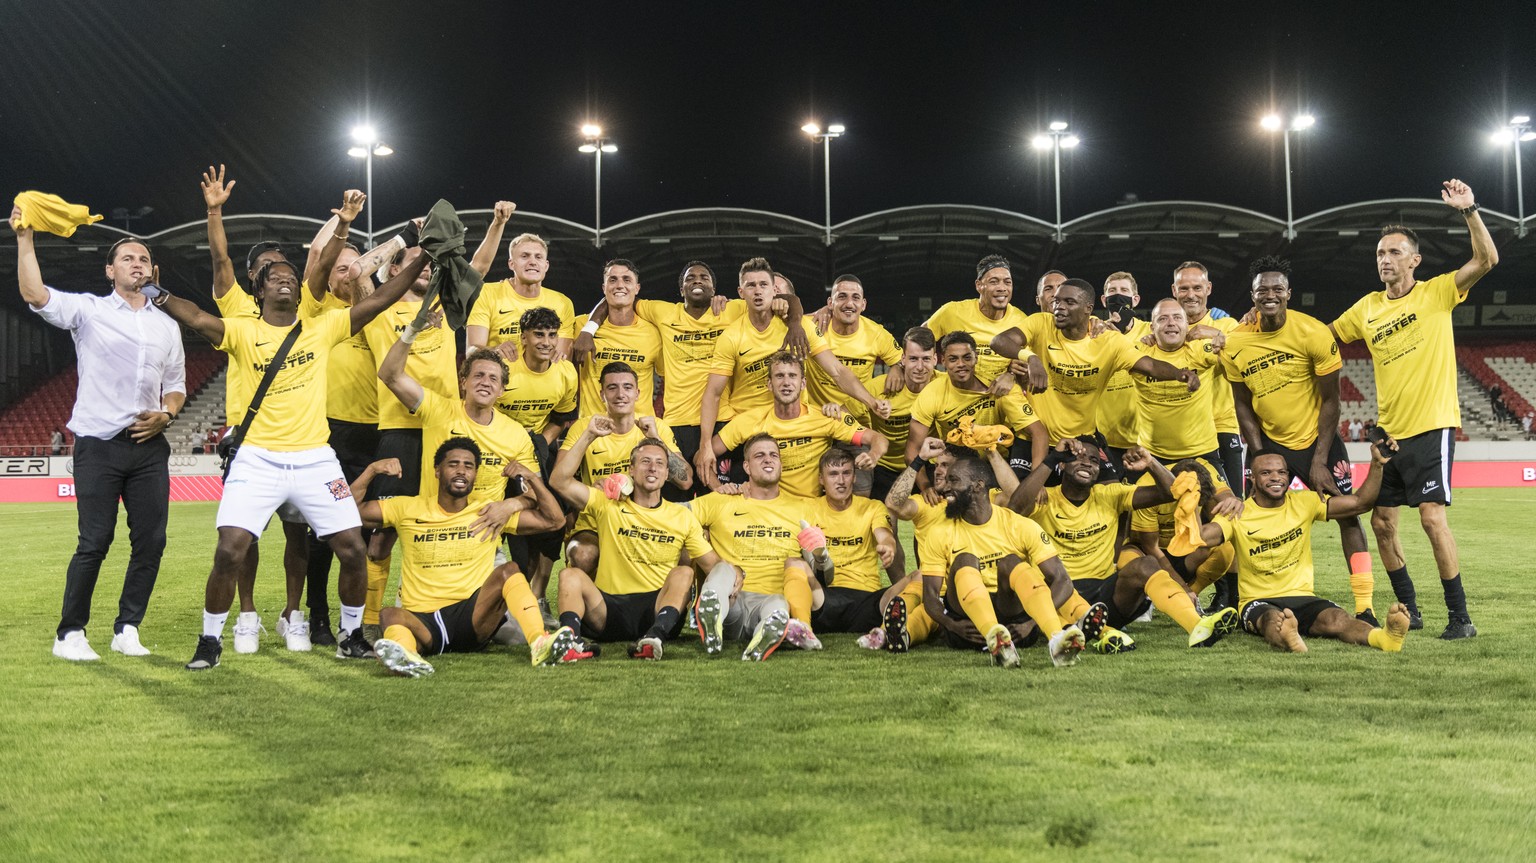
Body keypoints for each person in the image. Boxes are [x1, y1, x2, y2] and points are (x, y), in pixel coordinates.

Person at [156, 187, 428, 670]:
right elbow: (197, 315)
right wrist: (158, 293)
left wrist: (424, 254)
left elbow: (384, 296)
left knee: (351, 548)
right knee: (230, 549)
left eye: (288, 276)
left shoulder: (320, 326)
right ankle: (210, 640)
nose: (284, 281)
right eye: (273, 278)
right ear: (259, 290)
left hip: (314, 457)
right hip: (256, 456)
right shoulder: (242, 329)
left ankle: (349, 635)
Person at [12, 205, 185, 661]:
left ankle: (127, 628)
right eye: (127, 258)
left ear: (154, 271)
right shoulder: (87, 310)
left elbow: (178, 387)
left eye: (144, 259)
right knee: (95, 540)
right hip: (98, 444)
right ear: (110, 270)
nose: (137, 264)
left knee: (152, 542)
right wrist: (25, 239)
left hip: (150, 446)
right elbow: (35, 294)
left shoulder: (167, 326)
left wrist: (167, 416)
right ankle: (70, 633)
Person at [1329, 180, 1498, 639]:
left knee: (1430, 517)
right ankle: (1410, 608)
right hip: (1388, 432)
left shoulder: (1437, 293)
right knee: (1382, 522)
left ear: (1414, 260)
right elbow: (1324, 337)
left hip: (1432, 426)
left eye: (1395, 252)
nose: (1385, 259)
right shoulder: (1366, 308)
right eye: (1380, 253)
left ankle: (1460, 618)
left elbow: (1486, 261)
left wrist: (1470, 211)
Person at [1220, 256, 1376, 624]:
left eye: (1277, 289)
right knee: (1241, 518)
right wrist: (1258, 454)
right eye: (1262, 290)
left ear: (1289, 293)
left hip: (1316, 441)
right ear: (1253, 296)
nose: (1269, 295)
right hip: (1268, 445)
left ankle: (1365, 605)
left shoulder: (1314, 333)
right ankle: (1237, 600)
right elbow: (1242, 404)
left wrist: (1319, 459)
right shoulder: (1235, 343)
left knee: (1349, 515)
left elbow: (1331, 401)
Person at [355, 439, 584, 676]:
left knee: (510, 570)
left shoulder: (489, 511)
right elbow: (349, 511)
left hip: (472, 617)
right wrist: (372, 471)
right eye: (453, 464)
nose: (461, 470)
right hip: (423, 620)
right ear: (437, 471)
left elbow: (554, 520)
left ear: (475, 475)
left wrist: (532, 480)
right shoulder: (406, 508)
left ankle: (540, 643)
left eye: (469, 466)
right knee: (389, 614)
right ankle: (408, 658)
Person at [1011, 439, 1239, 649]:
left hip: (1105, 593)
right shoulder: (1044, 498)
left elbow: (1171, 493)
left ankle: (1197, 625)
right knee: (1061, 591)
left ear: (1099, 470)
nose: (1087, 463)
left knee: (1147, 564)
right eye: (1078, 458)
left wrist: (1151, 463)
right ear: (1063, 465)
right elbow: (1015, 507)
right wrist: (1050, 459)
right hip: (1059, 592)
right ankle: (1103, 634)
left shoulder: (1110, 494)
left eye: (1093, 460)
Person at [1194, 446, 1411, 654]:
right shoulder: (1238, 512)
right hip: (1258, 600)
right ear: (1252, 478)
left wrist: (1377, 464)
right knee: (1271, 619)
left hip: (1303, 596)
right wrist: (1193, 501)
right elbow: (1202, 539)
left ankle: (1384, 638)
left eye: (1281, 472)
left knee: (1337, 618)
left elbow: (1359, 503)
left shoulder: (1304, 502)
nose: (1275, 478)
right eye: (1266, 473)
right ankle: (1288, 637)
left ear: (1288, 476)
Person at [697, 257, 885, 482]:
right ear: (741, 291)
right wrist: (705, 444)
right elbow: (713, 393)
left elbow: (838, 371)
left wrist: (871, 401)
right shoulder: (732, 336)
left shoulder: (801, 326)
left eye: (764, 285)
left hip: (794, 423)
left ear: (774, 291)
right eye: (751, 285)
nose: (758, 291)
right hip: (748, 427)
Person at [549, 426, 722, 659]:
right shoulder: (607, 504)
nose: (653, 468)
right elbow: (558, 481)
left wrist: (735, 578)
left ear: (667, 472)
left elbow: (713, 565)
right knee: (569, 575)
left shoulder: (681, 516)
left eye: (660, 463)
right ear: (631, 469)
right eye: (645, 462)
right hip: (607, 610)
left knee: (683, 572)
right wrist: (589, 435)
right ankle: (570, 640)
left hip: (656, 610)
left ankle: (654, 638)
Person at [360, 242, 458, 640]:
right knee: (383, 532)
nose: (425, 267)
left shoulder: (447, 308)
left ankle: (438, 608)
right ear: (396, 270)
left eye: (429, 263)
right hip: (399, 431)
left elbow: (480, 266)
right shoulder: (380, 311)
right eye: (415, 263)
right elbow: (358, 273)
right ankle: (368, 621)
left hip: (446, 429)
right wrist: (404, 241)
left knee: (447, 524)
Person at [584, 261, 745, 489]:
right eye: (690, 278)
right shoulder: (663, 312)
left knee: (725, 495)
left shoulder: (733, 310)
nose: (697, 280)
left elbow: (773, 301)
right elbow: (618, 297)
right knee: (680, 493)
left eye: (704, 277)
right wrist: (588, 329)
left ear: (714, 290)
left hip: (722, 421)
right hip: (678, 423)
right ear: (681, 290)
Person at [917, 456, 1087, 668]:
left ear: (978, 486)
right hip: (967, 625)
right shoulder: (939, 531)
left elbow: (1062, 581)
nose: (946, 487)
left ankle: (1055, 639)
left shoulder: (1019, 525)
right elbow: (930, 596)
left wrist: (1031, 623)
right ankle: (994, 637)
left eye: (954, 480)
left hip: (1014, 621)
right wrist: (951, 625)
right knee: (964, 559)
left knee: (1010, 561)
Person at [993, 278, 1202, 449]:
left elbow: (1151, 366)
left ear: (1088, 309)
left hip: (1083, 441)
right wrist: (1031, 358)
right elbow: (999, 341)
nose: (1059, 307)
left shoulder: (1108, 340)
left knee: (1107, 495)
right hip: (1034, 439)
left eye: (1069, 302)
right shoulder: (1041, 323)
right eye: (1056, 301)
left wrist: (1179, 374)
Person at [691, 433, 824, 660]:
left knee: (779, 604)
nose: (768, 460)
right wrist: (705, 547)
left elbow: (816, 568)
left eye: (773, 455)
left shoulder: (803, 508)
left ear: (781, 464)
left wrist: (821, 556)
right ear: (746, 467)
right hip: (733, 599)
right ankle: (713, 619)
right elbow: (673, 515)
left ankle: (762, 640)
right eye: (759, 455)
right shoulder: (722, 500)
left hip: (769, 600)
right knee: (722, 569)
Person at [558, 362, 690, 575]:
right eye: (612, 388)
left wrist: (655, 439)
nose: (621, 394)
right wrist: (592, 489)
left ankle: (674, 606)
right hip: (596, 518)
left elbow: (685, 480)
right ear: (602, 394)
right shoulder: (584, 427)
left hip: (645, 518)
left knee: (688, 549)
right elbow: (559, 477)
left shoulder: (655, 428)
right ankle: (594, 606)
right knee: (582, 554)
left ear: (638, 393)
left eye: (627, 387)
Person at [700, 351, 887, 497]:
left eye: (792, 376)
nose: (786, 382)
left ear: (803, 383)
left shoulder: (826, 418)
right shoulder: (749, 421)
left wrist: (874, 453)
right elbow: (703, 456)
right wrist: (719, 488)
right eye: (779, 376)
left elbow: (878, 438)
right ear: (769, 384)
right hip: (768, 511)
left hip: (811, 511)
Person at [787, 447, 904, 640]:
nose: (840, 481)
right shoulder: (806, 508)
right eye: (833, 474)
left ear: (855, 477)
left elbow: (884, 534)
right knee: (793, 563)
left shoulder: (872, 507)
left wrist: (888, 546)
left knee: (918, 577)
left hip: (867, 598)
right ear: (821, 480)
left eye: (846, 473)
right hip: (824, 598)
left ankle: (882, 633)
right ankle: (804, 631)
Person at [907, 331, 1046, 488]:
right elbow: (913, 449)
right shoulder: (932, 393)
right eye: (953, 359)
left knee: (1014, 501)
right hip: (951, 466)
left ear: (976, 358)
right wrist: (925, 487)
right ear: (943, 361)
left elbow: (1039, 433)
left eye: (967, 357)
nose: (961, 364)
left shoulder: (1001, 387)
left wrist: (1037, 483)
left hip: (993, 462)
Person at [1170, 261, 1245, 492]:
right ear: (1174, 291)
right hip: (1181, 430)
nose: (1190, 294)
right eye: (1183, 288)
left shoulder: (1226, 324)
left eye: (1197, 288)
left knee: (1232, 501)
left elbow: (1246, 358)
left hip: (1221, 425)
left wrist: (1216, 333)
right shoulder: (1166, 327)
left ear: (1208, 289)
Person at [466, 220, 577, 361]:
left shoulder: (562, 302)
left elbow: (561, 359)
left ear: (546, 265)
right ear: (511, 264)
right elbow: (472, 351)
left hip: (541, 380)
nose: (532, 261)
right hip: (499, 380)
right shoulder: (487, 293)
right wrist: (495, 350)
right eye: (525, 256)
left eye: (538, 257)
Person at [922, 255, 1032, 394]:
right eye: (994, 282)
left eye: (1007, 282)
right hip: (958, 397)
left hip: (999, 399)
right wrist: (899, 366)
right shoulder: (953, 312)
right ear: (979, 286)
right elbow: (919, 340)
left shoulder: (1021, 321)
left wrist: (1011, 375)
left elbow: (1025, 365)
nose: (1002, 288)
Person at [569, 260, 665, 418]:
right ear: (604, 288)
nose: (619, 285)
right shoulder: (579, 326)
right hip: (594, 430)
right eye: (612, 280)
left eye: (627, 279)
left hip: (638, 432)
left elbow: (666, 381)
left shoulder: (654, 334)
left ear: (637, 288)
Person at [805, 274, 906, 417]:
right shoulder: (813, 325)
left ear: (863, 304)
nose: (849, 304)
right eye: (842, 297)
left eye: (855, 298)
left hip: (858, 417)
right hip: (817, 416)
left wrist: (897, 367)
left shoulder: (877, 333)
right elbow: (788, 319)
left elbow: (903, 361)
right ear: (830, 303)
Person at [865, 327, 940, 501]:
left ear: (936, 359)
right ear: (903, 359)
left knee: (934, 519)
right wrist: (832, 408)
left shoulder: (945, 384)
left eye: (926, 359)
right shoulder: (879, 387)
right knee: (883, 522)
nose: (920, 367)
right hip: (884, 467)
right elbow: (846, 414)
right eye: (913, 359)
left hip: (926, 465)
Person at [1095, 271, 1152, 465]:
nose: (1118, 295)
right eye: (1112, 291)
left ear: (1135, 299)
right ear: (1104, 300)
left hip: (1144, 439)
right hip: (1105, 439)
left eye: (1124, 290)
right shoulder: (1094, 335)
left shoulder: (1151, 332)